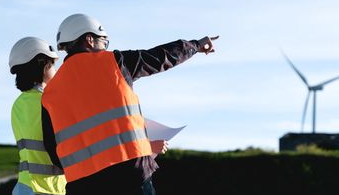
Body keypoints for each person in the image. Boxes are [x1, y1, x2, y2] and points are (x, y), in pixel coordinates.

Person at [41, 13, 219, 195]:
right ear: (89, 40)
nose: (105, 47)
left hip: (82, 186)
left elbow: (52, 149)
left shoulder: (49, 93)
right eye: (104, 42)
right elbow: (160, 57)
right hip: (130, 176)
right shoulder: (114, 62)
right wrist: (196, 45)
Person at [9, 37, 67, 195]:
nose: (55, 69)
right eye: (53, 64)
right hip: (47, 188)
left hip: (24, 185)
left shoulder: (18, 104)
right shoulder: (49, 101)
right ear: (43, 64)